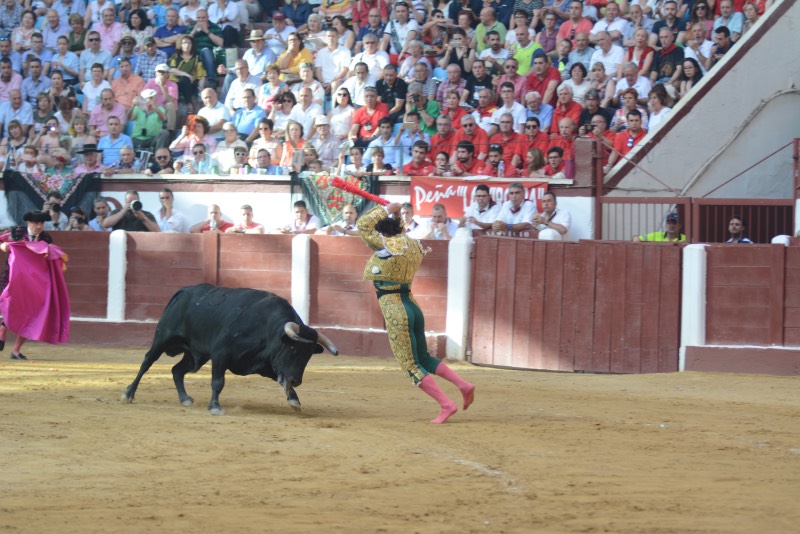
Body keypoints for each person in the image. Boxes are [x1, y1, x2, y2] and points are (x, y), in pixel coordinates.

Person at [356, 202, 475, 424]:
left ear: (382, 232)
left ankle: (446, 405)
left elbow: (362, 224)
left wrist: (387, 208)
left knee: (410, 365)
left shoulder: (386, 246)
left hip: (395, 309)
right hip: (412, 305)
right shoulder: (412, 244)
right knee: (424, 358)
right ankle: (463, 385)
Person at [0, 210, 70, 360]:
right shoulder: (17, 232)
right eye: (36, 223)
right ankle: (3, 329)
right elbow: (2, 241)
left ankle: (16, 350)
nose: (39, 226)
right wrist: (5, 246)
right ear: (29, 223)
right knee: (11, 304)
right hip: (14, 277)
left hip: (35, 282)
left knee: (34, 313)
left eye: (41, 223)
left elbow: (51, 256)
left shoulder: (45, 237)